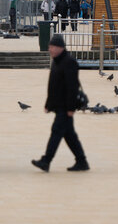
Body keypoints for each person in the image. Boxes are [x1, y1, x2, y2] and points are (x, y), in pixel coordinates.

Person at [31, 34, 89, 172]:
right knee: (69, 135)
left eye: (52, 47)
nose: (50, 49)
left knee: (56, 132)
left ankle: (46, 161)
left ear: (60, 48)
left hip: (65, 106)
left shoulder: (69, 62)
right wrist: (48, 104)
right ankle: (82, 161)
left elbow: (72, 87)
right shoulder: (56, 61)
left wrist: (70, 108)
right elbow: (52, 86)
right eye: (49, 47)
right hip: (58, 105)